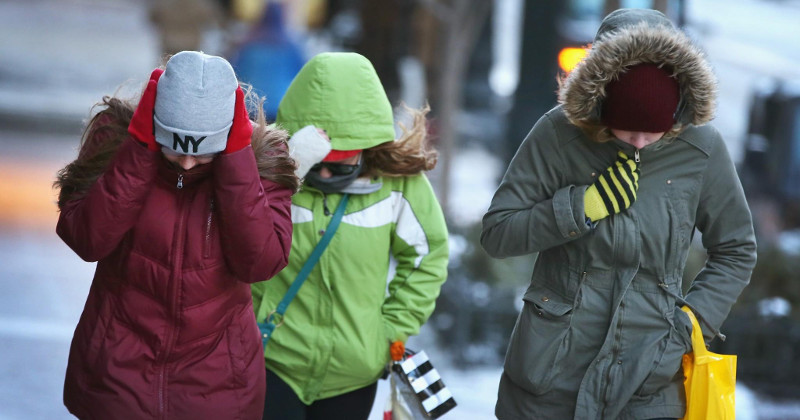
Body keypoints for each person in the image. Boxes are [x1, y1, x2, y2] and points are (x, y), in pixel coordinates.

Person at [480, 9, 756, 420]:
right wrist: (581, 207)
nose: (641, 143)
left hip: (650, 376)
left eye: (654, 131)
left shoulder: (702, 149)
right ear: (602, 102)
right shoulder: (558, 133)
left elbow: (736, 249)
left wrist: (688, 325)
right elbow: (498, 233)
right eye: (627, 130)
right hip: (550, 372)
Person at [54, 51, 299, 419]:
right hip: (116, 374)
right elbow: (87, 240)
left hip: (217, 386)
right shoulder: (117, 142)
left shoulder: (261, 159)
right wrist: (138, 150)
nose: (186, 163)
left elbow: (260, 263)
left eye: (203, 154)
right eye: (174, 148)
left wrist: (235, 161)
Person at [251, 51, 449, 420]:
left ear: (366, 146)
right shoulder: (271, 179)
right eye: (319, 165)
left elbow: (428, 257)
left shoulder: (400, 188)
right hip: (271, 362)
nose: (325, 176)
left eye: (340, 164)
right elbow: (236, 240)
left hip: (354, 373)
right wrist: (279, 178)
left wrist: (390, 332)